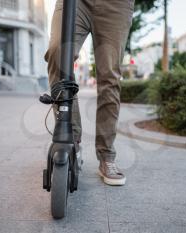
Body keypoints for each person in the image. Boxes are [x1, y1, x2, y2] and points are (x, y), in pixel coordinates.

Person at [45, 0, 135, 186]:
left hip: (116, 5)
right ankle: (71, 140)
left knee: (109, 75)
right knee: (57, 53)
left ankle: (106, 156)